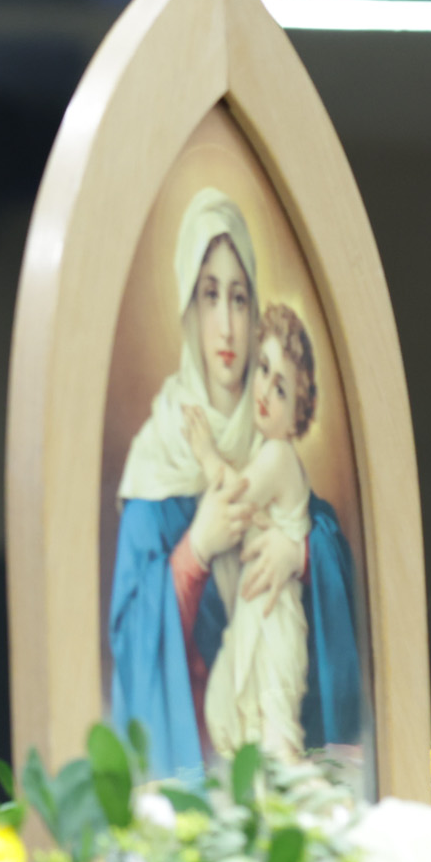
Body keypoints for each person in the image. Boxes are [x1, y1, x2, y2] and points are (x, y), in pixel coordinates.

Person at [108, 187, 363, 771]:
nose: (226, 325)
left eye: (240, 298)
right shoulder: (156, 460)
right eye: (209, 295)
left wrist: (300, 554)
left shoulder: (272, 443)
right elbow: (128, 637)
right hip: (193, 768)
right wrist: (195, 551)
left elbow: (333, 554)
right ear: (187, 308)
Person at [187, 302, 321, 765]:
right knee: (238, 727)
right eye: (263, 369)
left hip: (274, 619)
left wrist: (207, 455)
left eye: (281, 389)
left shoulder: (279, 457)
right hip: (256, 613)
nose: (264, 390)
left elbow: (236, 499)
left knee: (277, 742)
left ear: (297, 413)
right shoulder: (267, 451)